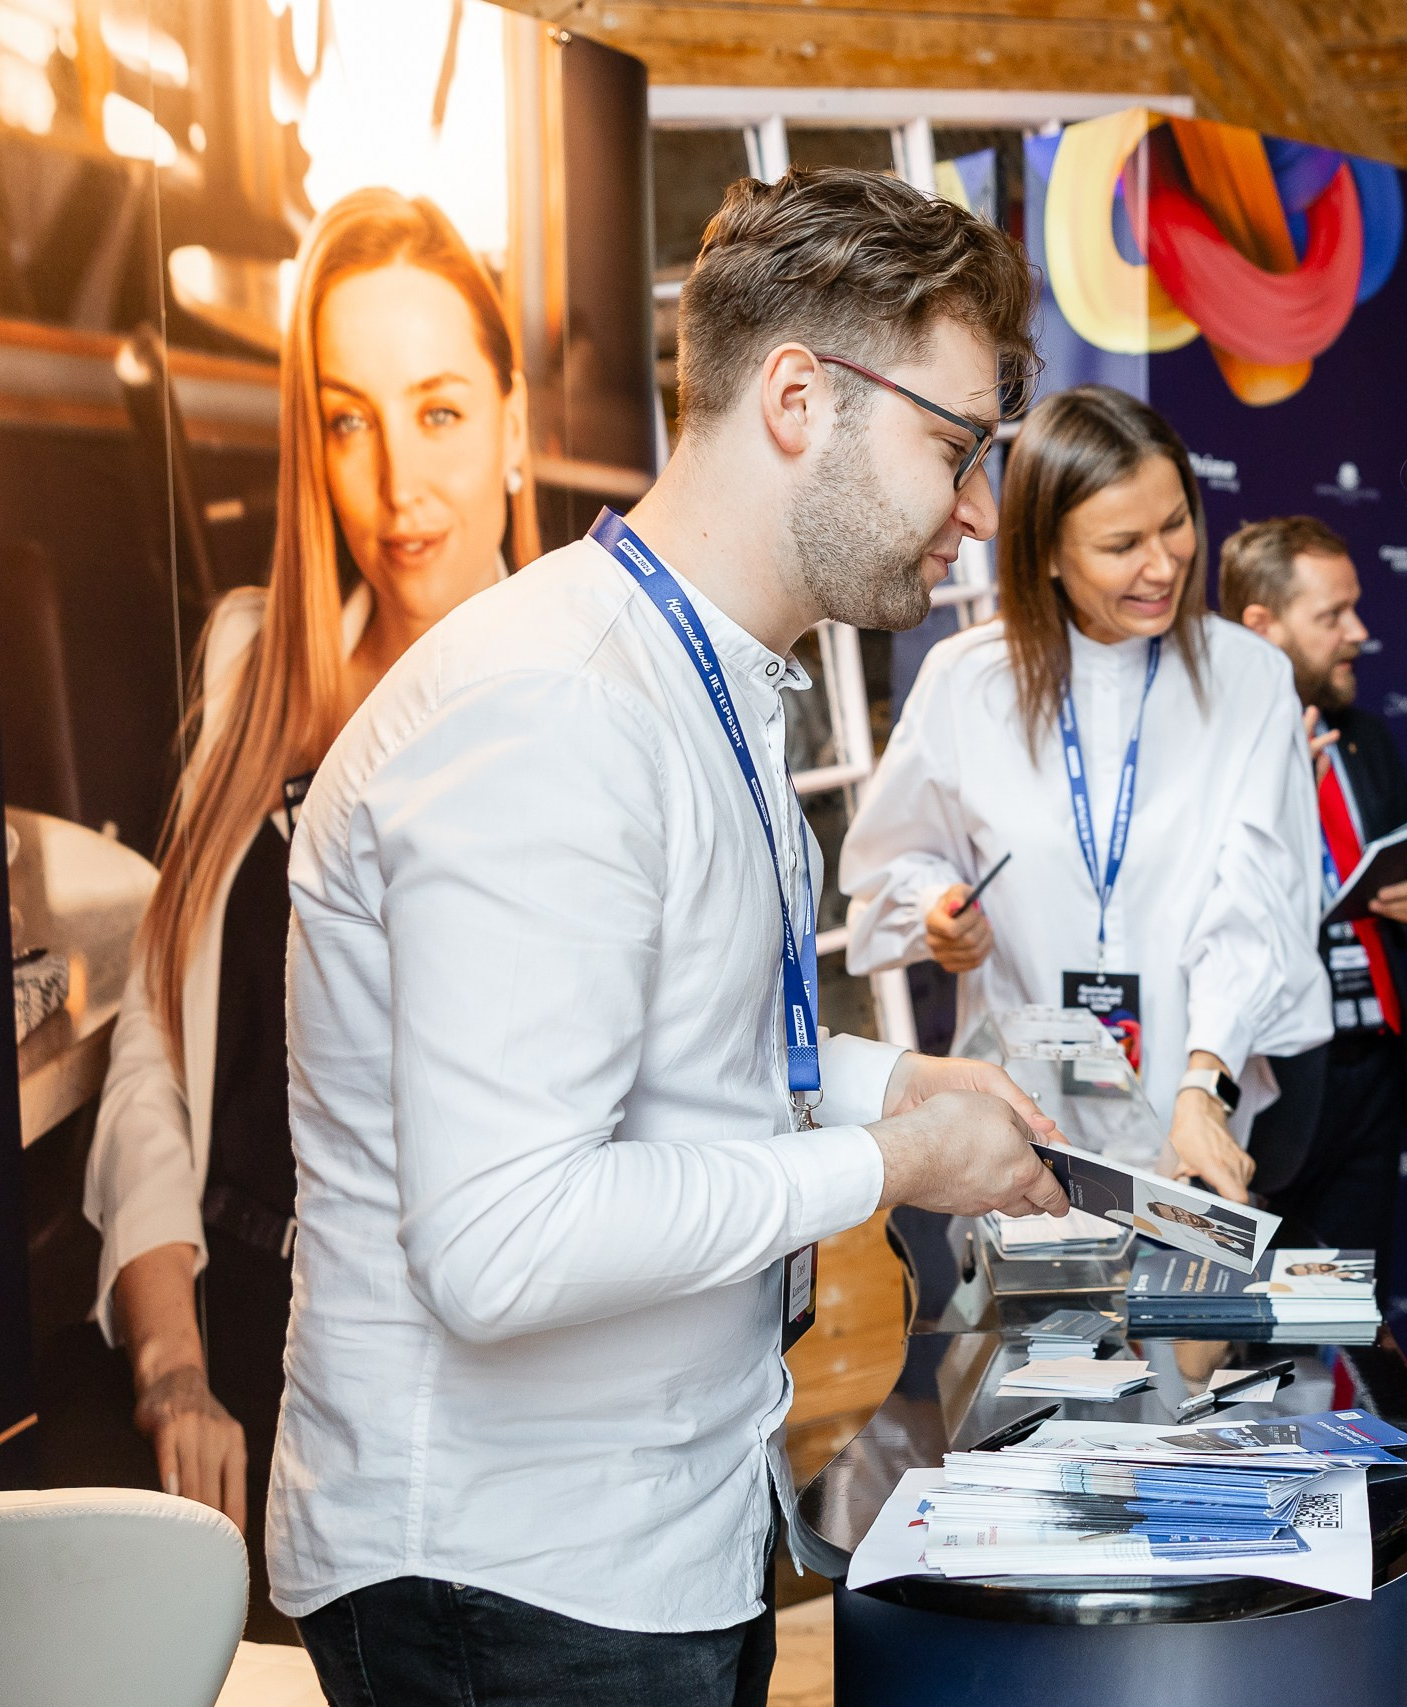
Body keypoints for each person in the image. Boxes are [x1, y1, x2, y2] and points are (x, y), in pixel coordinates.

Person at [269, 168, 1070, 1706]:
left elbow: (690, 1032)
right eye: (955, 447)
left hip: (644, 1534)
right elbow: (502, 1241)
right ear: (794, 396)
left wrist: (889, 1089)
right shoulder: (552, 708)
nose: (978, 512)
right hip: (508, 1576)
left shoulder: (691, 675)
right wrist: (888, 1168)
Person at [81, 188, 539, 1641]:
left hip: (476, 1399)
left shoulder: (579, 704)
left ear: (515, 421)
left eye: (442, 411)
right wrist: (169, 1366)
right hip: (241, 1368)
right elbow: (157, 1042)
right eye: (348, 421)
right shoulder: (253, 657)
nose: (398, 479)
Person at [842, 386, 1330, 1202]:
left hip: (1192, 1116)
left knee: (1185, 1320)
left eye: (1176, 524)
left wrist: (1203, 1086)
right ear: (1048, 553)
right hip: (1016, 1120)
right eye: (1122, 543)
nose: (1164, 563)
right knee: (1037, 1321)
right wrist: (938, 910)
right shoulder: (968, 682)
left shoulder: (1248, 678)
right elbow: (897, 860)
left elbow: (1260, 899)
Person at [1223, 515, 1407, 1267]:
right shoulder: (1211, 751)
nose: (1359, 631)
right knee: (1244, 1337)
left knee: (1350, 1314)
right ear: (1262, 626)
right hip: (1267, 1078)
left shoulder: (1368, 739)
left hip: (1369, 1067)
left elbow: (1401, 882)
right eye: (1331, 615)